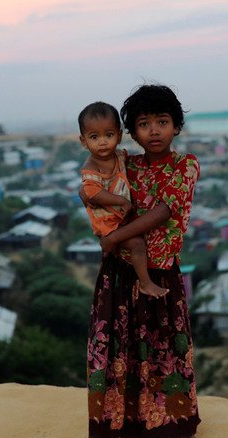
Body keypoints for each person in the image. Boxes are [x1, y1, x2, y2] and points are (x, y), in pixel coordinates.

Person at [85, 85, 209, 438]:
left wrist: (113, 238)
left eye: (162, 122)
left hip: (162, 272)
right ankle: (124, 430)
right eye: (143, 124)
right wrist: (88, 193)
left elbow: (163, 212)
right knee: (122, 353)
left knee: (171, 350)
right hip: (121, 273)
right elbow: (92, 186)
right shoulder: (126, 164)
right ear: (131, 132)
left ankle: (184, 429)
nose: (153, 131)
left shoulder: (185, 165)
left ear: (176, 126)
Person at [78, 101, 169, 298]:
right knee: (136, 243)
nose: (102, 142)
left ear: (118, 136)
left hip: (120, 219)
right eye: (94, 137)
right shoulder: (92, 166)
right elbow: (92, 193)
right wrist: (121, 201)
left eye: (108, 135)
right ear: (84, 141)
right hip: (107, 223)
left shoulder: (119, 156)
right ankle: (145, 283)